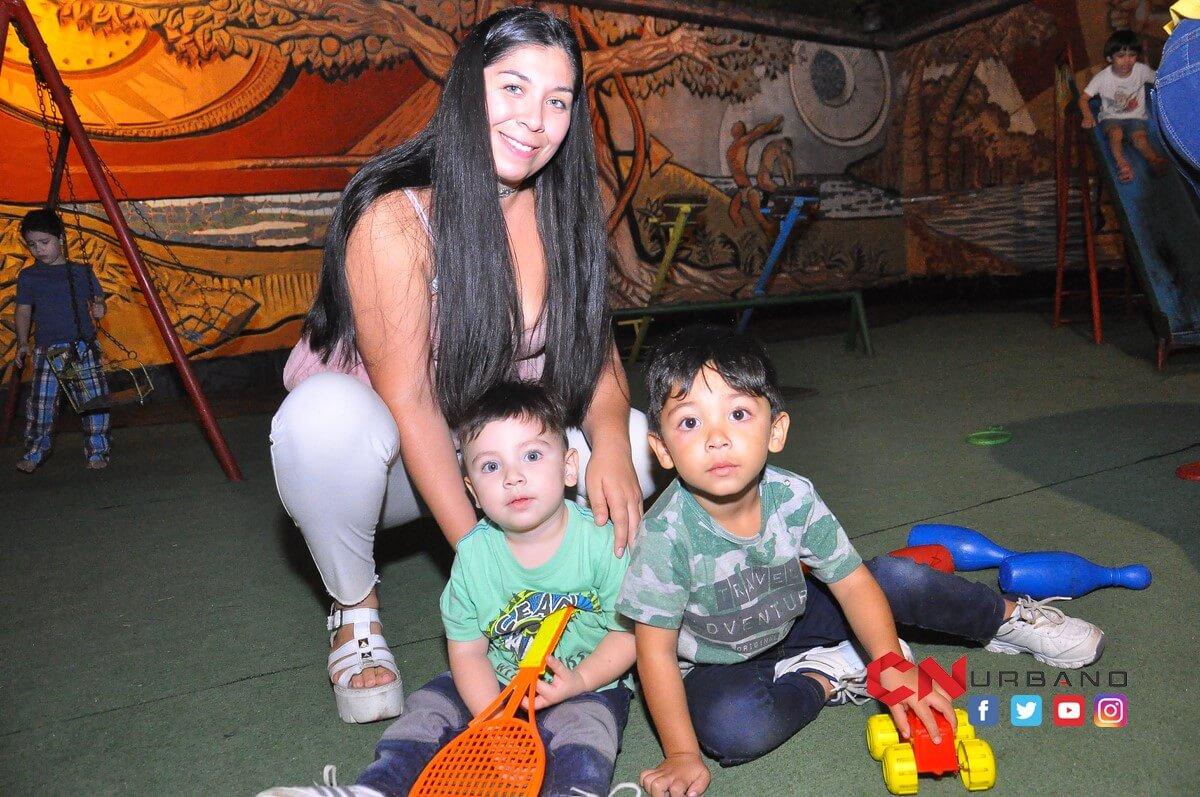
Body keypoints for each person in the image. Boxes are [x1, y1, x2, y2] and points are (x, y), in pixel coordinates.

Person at [269, 6, 655, 724]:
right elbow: (410, 400)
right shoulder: (396, 217)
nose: (534, 119)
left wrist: (607, 442)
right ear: (467, 89)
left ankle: (583, 590)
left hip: (499, 449)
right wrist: (484, 559)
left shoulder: (566, 209)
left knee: (631, 440)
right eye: (512, 87)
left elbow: (596, 359)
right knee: (318, 422)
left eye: (558, 101)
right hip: (390, 459)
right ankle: (354, 608)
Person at [615, 325, 1106, 797]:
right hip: (717, 660)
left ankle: (1005, 617)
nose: (717, 438)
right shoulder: (665, 535)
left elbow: (850, 583)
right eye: (690, 422)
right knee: (733, 728)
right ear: (662, 449)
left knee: (897, 578)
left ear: (776, 430)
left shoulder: (793, 496)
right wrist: (681, 753)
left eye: (738, 414)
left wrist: (891, 662)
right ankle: (828, 675)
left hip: (794, 617)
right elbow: (654, 652)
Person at [260, 383, 636, 797]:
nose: (513, 476)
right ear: (472, 491)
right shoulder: (473, 557)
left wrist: (581, 680)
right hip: (494, 678)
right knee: (428, 709)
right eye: (491, 466)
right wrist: (493, 719)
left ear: (568, 468)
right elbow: (469, 652)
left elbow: (628, 634)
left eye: (531, 455)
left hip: (587, 681)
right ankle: (376, 787)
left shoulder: (604, 544)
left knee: (587, 731)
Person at [12, 207, 110, 473]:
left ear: (61, 239)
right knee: (41, 404)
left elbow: (98, 301)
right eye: (32, 245)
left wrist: (99, 308)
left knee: (93, 401)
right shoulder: (29, 276)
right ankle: (35, 451)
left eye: (44, 242)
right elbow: (23, 310)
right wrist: (23, 343)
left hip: (82, 346)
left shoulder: (81, 271)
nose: (39, 250)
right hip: (48, 348)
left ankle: (97, 450)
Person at [1079, 29, 1168, 182]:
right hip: (1112, 117)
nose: (1127, 61)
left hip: (1135, 118)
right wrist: (1087, 116)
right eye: (1121, 56)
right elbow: (1083, 99)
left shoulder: (1141, 70)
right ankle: (1122, 164)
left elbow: (1160, 80)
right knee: (1116, 134)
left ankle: (1153, 160)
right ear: (1109, 58)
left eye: (1132, 55)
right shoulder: (1102, 78)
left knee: (1140, 139)